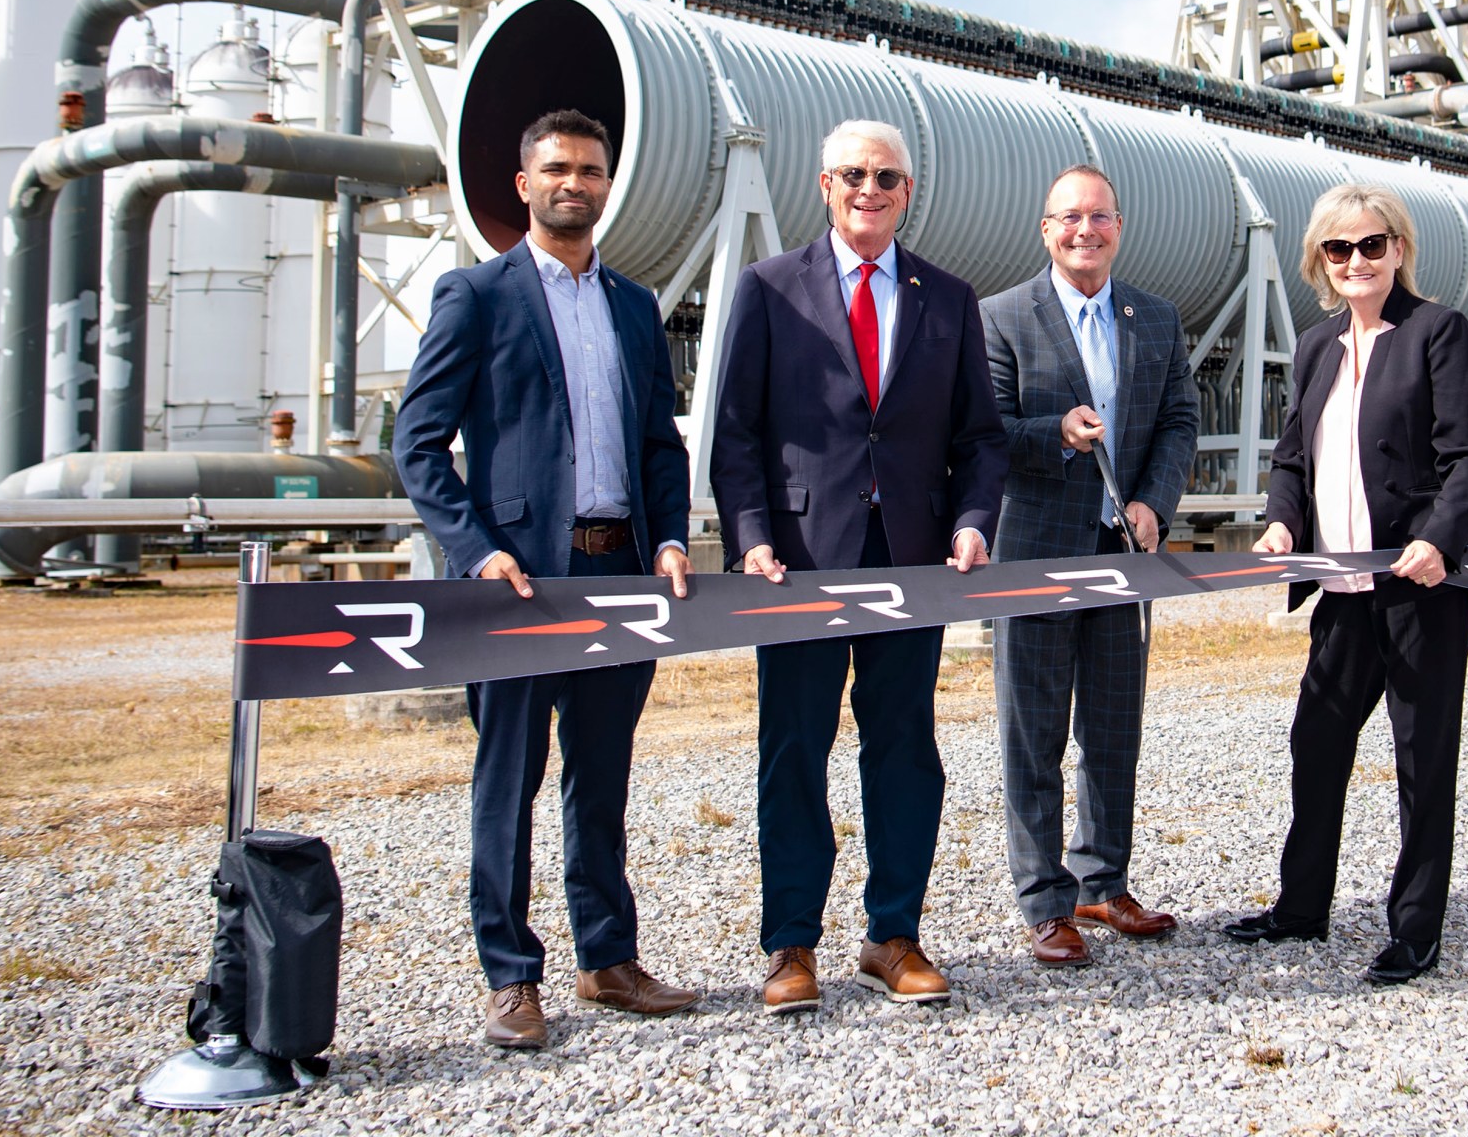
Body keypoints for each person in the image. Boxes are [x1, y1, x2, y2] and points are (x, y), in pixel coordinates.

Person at [395, 108, 698, 1049]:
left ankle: (607, 958)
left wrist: (671, 539)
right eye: (558, 168)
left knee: (600, 778)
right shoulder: (475, 297)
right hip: (520, 582)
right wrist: (476, 548)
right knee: (509, 779)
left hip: (619, 576)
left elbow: (658, 444)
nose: (576, 182)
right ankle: (511, 975)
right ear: (524, 185)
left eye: (592, 170)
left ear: (610, 185)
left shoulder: (635, 307)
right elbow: (416, 443)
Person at [711, 119, 1008, 1015]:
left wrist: (971, 521)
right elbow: (736, 433)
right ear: (824, 184)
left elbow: (980, 439)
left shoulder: (948, 299)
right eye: (854, 174)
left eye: (887, 177)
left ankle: (893, 935)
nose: (870, 189)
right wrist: (750, 534)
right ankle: (791, 946)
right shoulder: (769, 289)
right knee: (795, 750)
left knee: (905, 749)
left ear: (907, 193)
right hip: (798, 561)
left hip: (911, 559)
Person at [1223, 182, 1468, 986]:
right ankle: (1301, 910)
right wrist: (1282, 524)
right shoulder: (1316, 348)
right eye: (1339, 249)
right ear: (1320, 261)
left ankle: (1415, 933)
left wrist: (1439, 539)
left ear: (1399, 249)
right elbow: (1292, 461)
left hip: (1419, 592)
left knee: (1421, 760)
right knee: (1317, 746)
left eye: (1371, 245)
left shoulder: (1438, 333)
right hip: (1340, 594)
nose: (1356, 261)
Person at [978, 165, 1198, 966]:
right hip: (1035, 553)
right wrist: (1052, 432)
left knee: (1112, 727)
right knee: (1032, 732)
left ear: (1119, 225)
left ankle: (1103, 880)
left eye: (1099, 216)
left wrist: (1153, 504)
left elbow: (1179, 420)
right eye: (1069, 217)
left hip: (1122, 551)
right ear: (1045, 229)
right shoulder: (1000, 318)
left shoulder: (1157, 319)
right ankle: (1045, 901)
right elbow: (984, 432)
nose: (1085, 230)